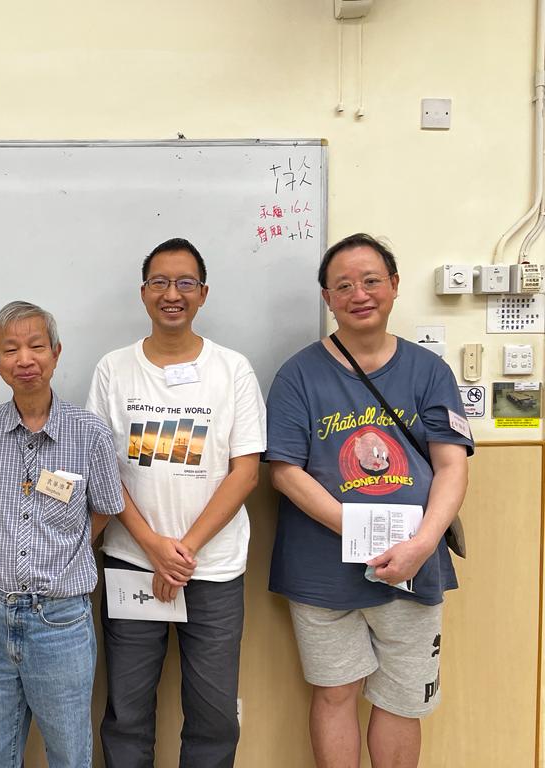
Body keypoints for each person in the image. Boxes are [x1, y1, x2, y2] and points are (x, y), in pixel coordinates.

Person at [265, 233, 473, 768]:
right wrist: (359, 531)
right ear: (327, 298)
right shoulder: (297, 374)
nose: (359, 294)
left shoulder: (430, 371)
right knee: (334, 693)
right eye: (343, 286)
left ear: (395, 286)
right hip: (321, 569)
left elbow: (452, 465)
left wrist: (421, 544)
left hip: (414, 566)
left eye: (371, 280)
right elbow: (285, 472)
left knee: (403, 700)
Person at [87, 237, 266, 768]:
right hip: (131, 562)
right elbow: (103, 470)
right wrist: (153, 547)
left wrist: (182, 551)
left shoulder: (232, 369)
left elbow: (246, 472)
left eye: (185, 283)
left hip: (212, 567)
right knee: (127, 712)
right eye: (160, 282)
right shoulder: (113, 369)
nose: (172, 294)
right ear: (143, 292)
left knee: (214, 715)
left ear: (203, 293)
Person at [0, 301, 124, 768]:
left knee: (69, 754)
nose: (25, 359)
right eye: (10, 349)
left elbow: (104, 509)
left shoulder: (89, 432)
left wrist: (64, 551)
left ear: (56, 352)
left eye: (36, 346)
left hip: (59, 618)